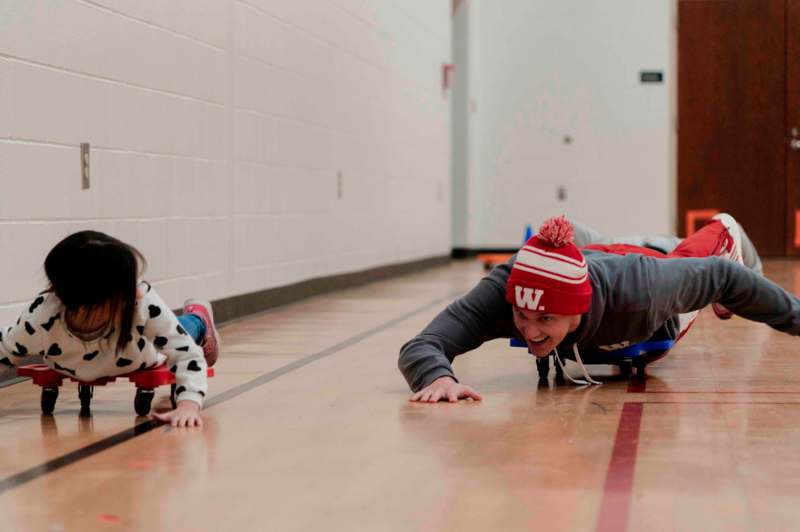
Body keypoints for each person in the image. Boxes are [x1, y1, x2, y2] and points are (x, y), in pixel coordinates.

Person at [398, 213, 796, 403]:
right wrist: (435, 377)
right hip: (597, 254)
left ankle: (728, 230)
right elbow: (423, 344)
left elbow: (726, 279)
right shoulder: (506, 290)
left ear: (576, 308)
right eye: (522, 315)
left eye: (545, 319)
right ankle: (588, 237)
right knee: (573, 241)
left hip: (651, 260)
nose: (530, 331)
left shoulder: (644, 290)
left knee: (707, 252)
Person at [0, 231, 221, 426]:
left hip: (145, 354)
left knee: (181, 328)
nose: (138, 292)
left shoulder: (141, 302)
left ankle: (199, 319)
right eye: (127, 286)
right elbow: (4, 348)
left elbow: (185, 353)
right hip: (105, 354)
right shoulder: (42, 317)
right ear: (90, 300)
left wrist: (188, 406)